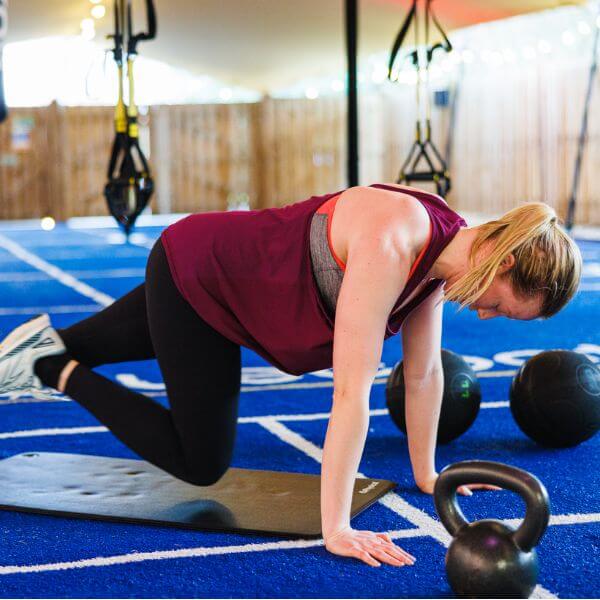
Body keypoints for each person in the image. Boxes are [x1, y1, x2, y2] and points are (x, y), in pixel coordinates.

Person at [0, 183, 582, 568]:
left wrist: (429, 475)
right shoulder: (393, 241)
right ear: (504, 261)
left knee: (91, 339)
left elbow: (426, 374)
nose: (485, 315)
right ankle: (53, 369)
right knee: (200, 461)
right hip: (203, 276)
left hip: (232, 280)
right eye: (503, 305)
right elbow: (351, 393)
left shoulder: (445, 256)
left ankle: (33, 351)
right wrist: (334, 528)